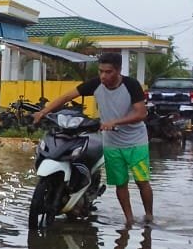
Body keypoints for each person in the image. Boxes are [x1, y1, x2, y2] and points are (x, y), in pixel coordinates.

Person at [33, 52, 153, 226]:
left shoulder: (131, 85)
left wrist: (115, 122)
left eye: (108, 72)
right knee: (121, 184)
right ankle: (129, 220)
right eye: (101, 71)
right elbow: (67, 96)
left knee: (142, 181)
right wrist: (43, 112)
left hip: (136, 141)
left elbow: (141, 113)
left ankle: (149, 216)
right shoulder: (96, 84)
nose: (103, 76)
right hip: (112, 143)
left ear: (118, 70)